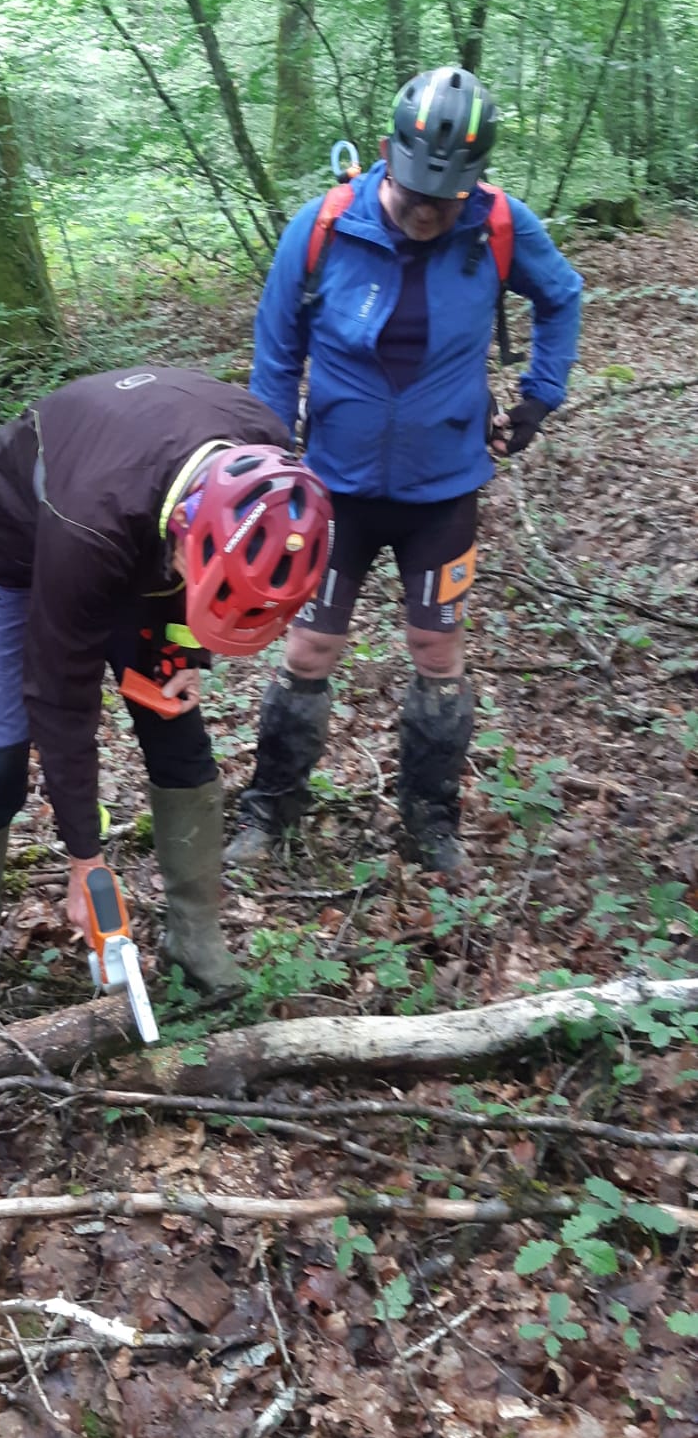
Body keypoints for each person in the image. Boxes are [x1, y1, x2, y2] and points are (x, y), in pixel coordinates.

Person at [228, 65, 583, 876]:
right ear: (388, 157)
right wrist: (268, 458)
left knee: (435, 649)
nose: (428, 214)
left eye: (445, 200)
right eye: (418, 194)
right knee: (308, 650)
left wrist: (539, 396)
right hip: (333, 488)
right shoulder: (323, 227)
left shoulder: (497, 226)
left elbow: (560, 296)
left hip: (442, 488)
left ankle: (429, 821)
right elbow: (276, 351)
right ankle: (268, 811)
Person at [0, 364, 332, 1032]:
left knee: (174, 723)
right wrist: (86, 864)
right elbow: (60, 700)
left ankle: (195, 937)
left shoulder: (268, 457)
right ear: (186, 532)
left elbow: (220, 580)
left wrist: (189, 650)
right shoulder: (90, 527)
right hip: (5, 544)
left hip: (137, 526)